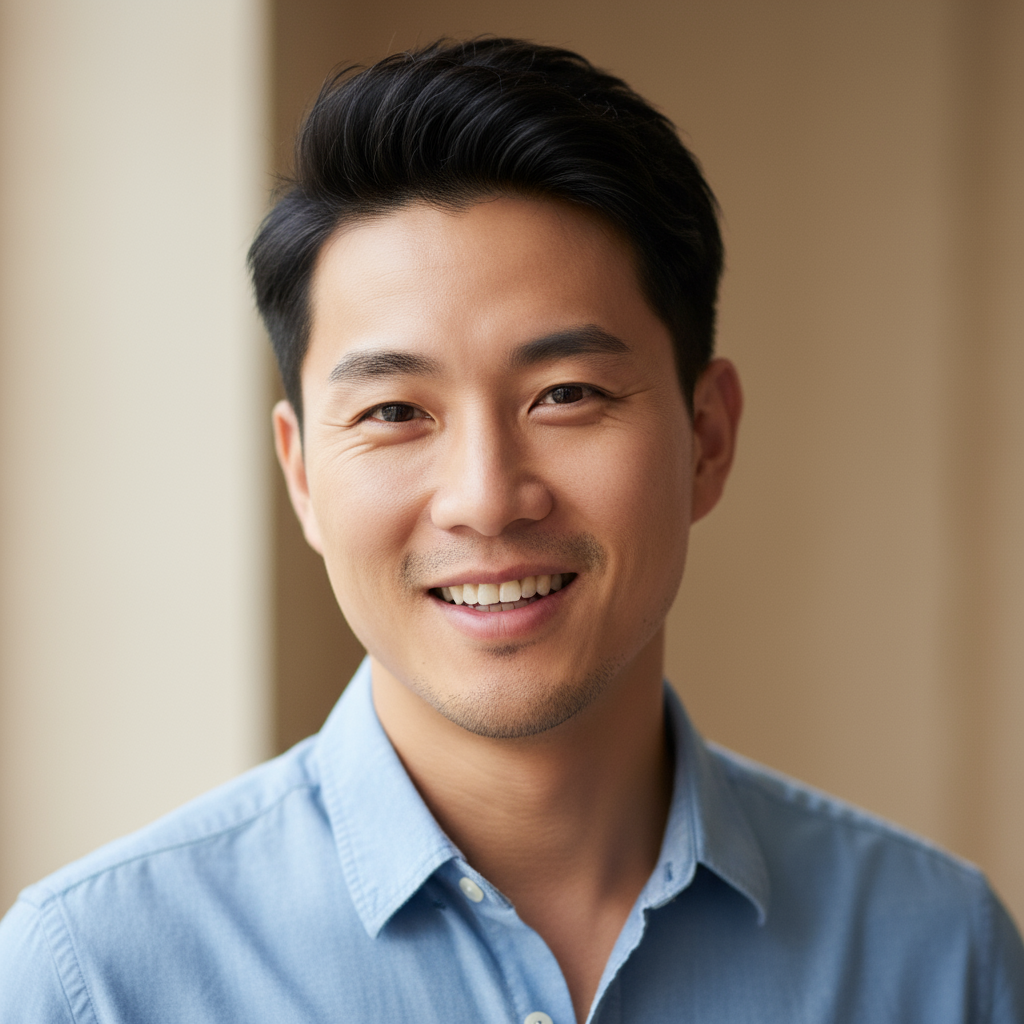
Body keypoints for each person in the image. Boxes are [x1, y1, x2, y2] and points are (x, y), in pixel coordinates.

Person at [1, 36, 1021, 1024]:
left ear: (706, 438)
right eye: (395, 411)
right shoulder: (96, 977)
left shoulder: (937, 954)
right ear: (302, 473)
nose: (485, 498)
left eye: (565, 393)